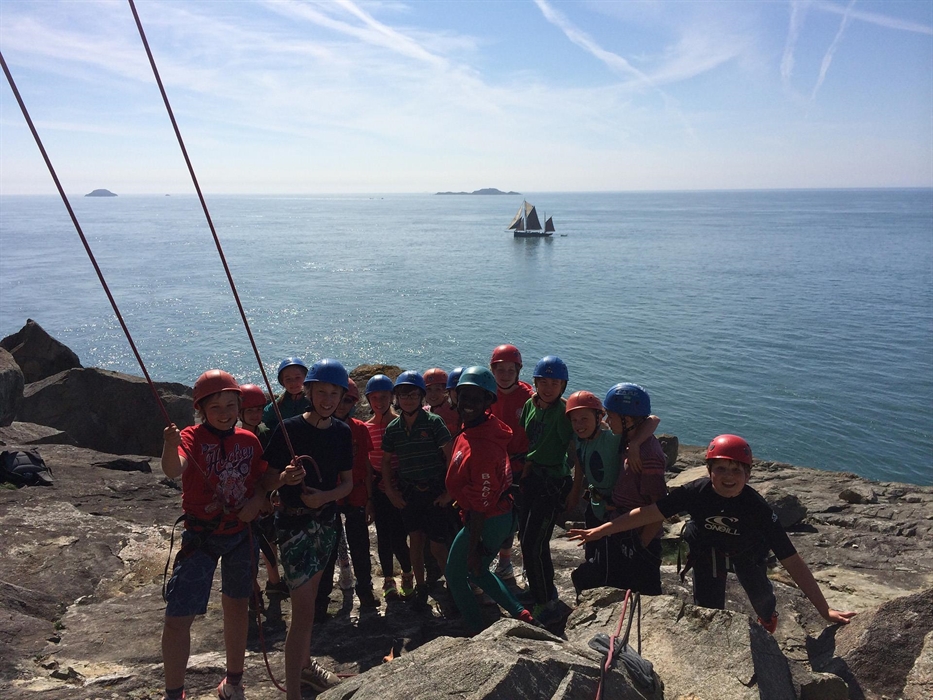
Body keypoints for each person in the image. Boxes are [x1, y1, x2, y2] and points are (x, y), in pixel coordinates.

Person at [569, 434, 857, 633]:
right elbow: (649, 513)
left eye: (736, 470)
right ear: (708, 470)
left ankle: (768, 620)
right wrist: (601, 530)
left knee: (763, 601)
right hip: (707, 552)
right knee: (710, 612)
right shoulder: (697, 492)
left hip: (747, 553)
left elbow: (791, 560)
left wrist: (824, 610)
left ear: (749, 475)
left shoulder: (755, 507)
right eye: (721, 469)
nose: (729, 477)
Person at [160, 370, 276, 700]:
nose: (225, 413)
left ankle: (234, 682)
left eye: (230, 405)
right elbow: (174, 469)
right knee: (178, 616)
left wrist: (258, 500)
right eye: (216, 407)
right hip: (203, 535)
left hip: (241, 533)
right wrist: (170, 446)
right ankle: (174, 694)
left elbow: (260, 481)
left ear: (239, 406)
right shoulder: (192, 437)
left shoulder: (249, 441)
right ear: (202, 410)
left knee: (238, 606)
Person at [261, 359, 354, 697]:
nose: (328, 399)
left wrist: (324, 498)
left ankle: (303, 668)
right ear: (309, 391)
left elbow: (347, 484)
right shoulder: (288, 430)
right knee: (302, 611)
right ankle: (293, 693)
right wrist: (285, 478)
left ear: (342, 395)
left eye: (334, 393)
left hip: (325, 523)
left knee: (310, 602)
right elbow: (266, 480)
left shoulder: (342, 433)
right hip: (293, 524)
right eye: (322, 392)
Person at [445, 366, 543, 632]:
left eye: (477, 399)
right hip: (491, 514)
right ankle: (521, 614)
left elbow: (481, 503)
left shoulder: (484, 445)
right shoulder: (477, 429)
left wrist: (475, 544)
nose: (468, 404)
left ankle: (475, 628)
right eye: (464, 396)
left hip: (488, 519)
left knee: (457, 575)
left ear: (489, 402)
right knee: (477, 572)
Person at [568, 384, 665, 597]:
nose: (606, 422)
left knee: (637, 593)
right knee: (602, 582)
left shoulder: (647, 455)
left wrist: (639, 547)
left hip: (636, 538)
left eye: (610, 417)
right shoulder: (627, 441)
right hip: (620, 528)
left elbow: (659, 509)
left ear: (627, 420)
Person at [381, 370, 453, 604]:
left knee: (438, 546)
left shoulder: (434, 422)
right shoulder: (393, 428)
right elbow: (386, 462)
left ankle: (454, 587)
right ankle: (421, 589)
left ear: (421, 397)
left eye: (413, 395)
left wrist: (449, 492)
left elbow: (451, 457)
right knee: (415, 542)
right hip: (409, 492)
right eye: (403, 395)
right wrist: (391, 492)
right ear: (397, 398)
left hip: (434, 493)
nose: (408, 399)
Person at [519, 355, 575, 625]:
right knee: (529, 539)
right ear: (536, 383)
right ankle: (541, 590)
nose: (549, 387)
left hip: (552, 482)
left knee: (533, 543)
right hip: (532, 478)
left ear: (563, 385)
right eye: (544, 381)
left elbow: (578, 448)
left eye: (555, 382)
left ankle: (546, 602)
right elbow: (528, 438)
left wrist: (576, 490)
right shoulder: (532, 405)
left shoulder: (565, 413)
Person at [315, 377, 379, 611]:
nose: (342, 405)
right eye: (340, 399)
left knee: (360, 547)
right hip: (331, 498)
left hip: (357, 495)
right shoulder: (320, 429)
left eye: (348, 400)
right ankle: (321, 600)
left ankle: (365, 593)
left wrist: (371, 500)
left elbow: (367, 464)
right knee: (328, 551)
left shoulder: (359, 429)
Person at [364, 373, 414, 600]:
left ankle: (407, 573)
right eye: (374, 397)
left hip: (401, 485)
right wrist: (368, 499)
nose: (379, 402)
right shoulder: (366, 428)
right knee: (383, 537)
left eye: (383, 396)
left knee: (399, 536)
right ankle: (388, 580)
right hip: (379, 488)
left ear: (391, 397)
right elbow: (366, 465)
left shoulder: (402, 423)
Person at [238, 383, 288, 603]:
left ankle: (274, 581)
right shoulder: (235, 436)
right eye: (250, 411)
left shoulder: (266, 433)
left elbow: (272, 467)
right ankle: (252, 588)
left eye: (259, 410)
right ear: (240, 413)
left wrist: (271, 494)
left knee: (269, 540)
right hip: (241, 496)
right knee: (245, 546)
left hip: (264, 493)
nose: (256, 414)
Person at [488, 344, 534, 581]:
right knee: (502, 517)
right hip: (495, 466)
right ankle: (505, 562)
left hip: (522, 467)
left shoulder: (528, 397)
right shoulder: (487, 394)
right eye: (500, 370)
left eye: (510, 370)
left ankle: (528, 564)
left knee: (524, 518)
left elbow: (559, 406)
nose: (505, 374)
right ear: (492, 370)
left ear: (518, 371)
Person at [262, 357, 311, 432]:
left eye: (297, 377)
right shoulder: (279, 403)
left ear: (306, 378)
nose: (293, 383)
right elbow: (264, 416)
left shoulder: (312, 400)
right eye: (288, 379)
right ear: (282, 382)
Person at [424, 367, 460, 435]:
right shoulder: (427, 409)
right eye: (428, 389)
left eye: (438, 389)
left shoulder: (449, 413)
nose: (433, 394)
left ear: (446, 391)